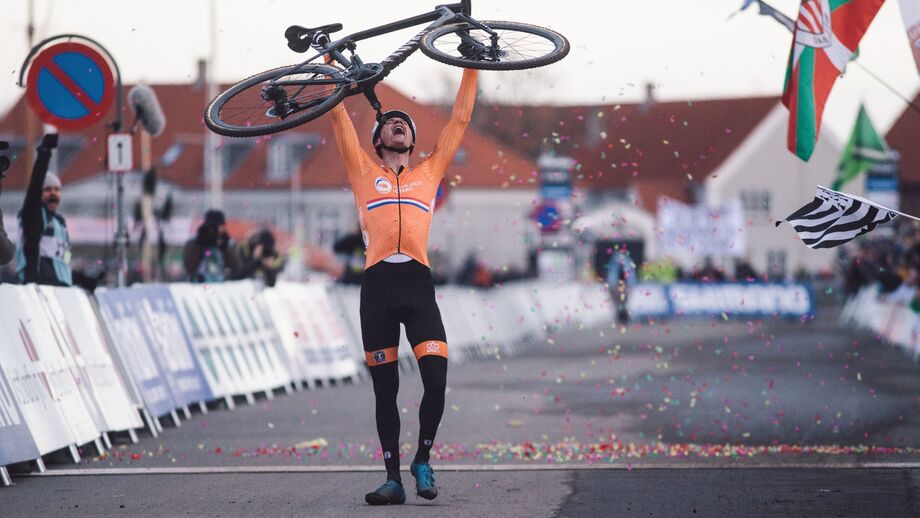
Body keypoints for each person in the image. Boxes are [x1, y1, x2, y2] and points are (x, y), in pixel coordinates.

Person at [329, 67, 478, 505]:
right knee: (385, 389)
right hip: (376, 288)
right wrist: (331, 68)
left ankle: (422, 459)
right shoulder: (362, 170)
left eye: (406, 123)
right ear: (377, 140)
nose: (398, 122)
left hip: (417, 285)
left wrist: (472, 65)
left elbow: (461, 119)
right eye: (390, 122)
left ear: (412, 142)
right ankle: (392, 477)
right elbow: (336, 116)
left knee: (436, 377)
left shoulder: (429, 172)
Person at [15, 133, 73, 286]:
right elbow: (35, 184)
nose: (53, 193)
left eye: (57, 189)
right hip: (39, 286)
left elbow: (65, 259)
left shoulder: (60, 223)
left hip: (61, 287)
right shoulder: (34, 215)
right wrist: (45, 152)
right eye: (48, 189)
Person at [182, 209, 242, 283]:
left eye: (220, 226)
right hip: (198, 287)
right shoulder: (194, 242)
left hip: (222, 286)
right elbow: (189, 268)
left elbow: (236, 268)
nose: (216, 230)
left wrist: (224, 247)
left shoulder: (228, 242)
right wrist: (200, 243)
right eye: (213, 227)